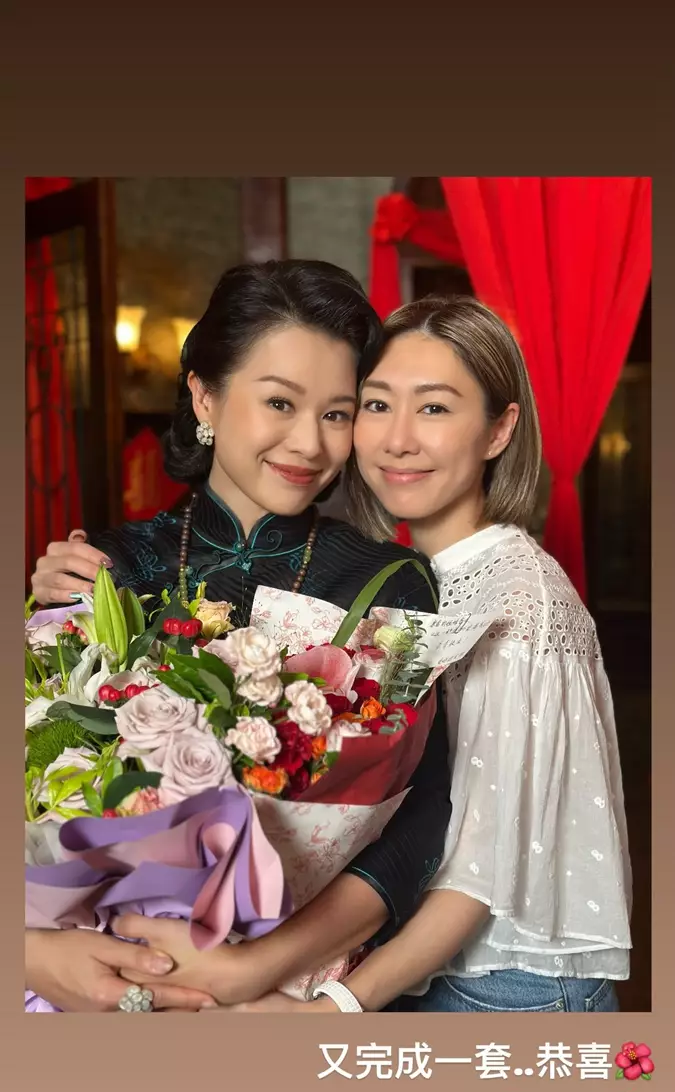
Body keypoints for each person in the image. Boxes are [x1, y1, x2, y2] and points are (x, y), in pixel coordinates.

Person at [177, 293, 631, 1015]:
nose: (396, 440)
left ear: (498, 429)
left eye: (435, 408)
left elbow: (479, 871)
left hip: (502, 990)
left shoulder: (517, 601)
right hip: (410, 968)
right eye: (376, 405)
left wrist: (329, 1010)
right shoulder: (401, 580)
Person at [26, 261, 452, 1013]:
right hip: (100, 978)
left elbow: (424, 817)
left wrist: (258, 972)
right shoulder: (103, 569)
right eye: (280, 402)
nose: (309, 444)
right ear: (205, 395)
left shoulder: (391, 584)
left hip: (287, 996)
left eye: (337, 413)